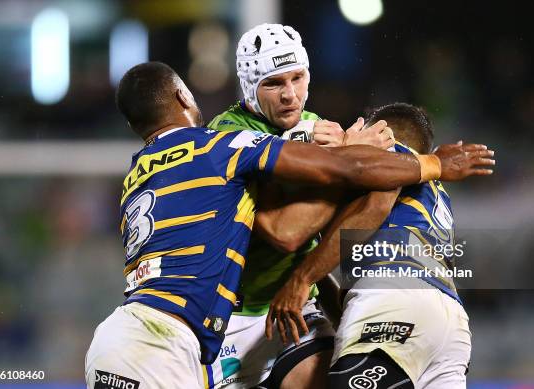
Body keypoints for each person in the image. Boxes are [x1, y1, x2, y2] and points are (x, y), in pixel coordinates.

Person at [84, 62, 493, 389]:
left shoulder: (134, 177)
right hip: (164, 342)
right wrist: (434, 163)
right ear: (182, 96)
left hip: (129, 336)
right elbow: (338, 176)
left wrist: (307, 284)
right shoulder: (215, 145)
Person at [207, 23, 387, 389]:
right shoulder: (222, 134)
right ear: (249, 88)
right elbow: (283, 234)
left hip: (292, 312)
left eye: (298, 78)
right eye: (273, 83)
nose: (290, 94)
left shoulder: (317, 127)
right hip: (228, 318)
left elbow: (323, 230)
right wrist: (342, 160)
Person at [268, 103, 487, 388]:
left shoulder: (388, 157)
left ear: (381, 133)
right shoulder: (435, 195)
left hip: (395, 302)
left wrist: (302, 278)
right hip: (450, 326)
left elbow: (378, 203)